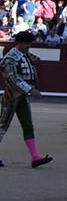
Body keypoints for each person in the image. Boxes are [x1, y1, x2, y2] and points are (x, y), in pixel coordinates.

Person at [0, 30, 51, 168]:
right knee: (2, 126)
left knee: (28, 125)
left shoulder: (25, 55)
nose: (29, 46)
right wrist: (30, 89)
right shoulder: (10, 57)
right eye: (28, 44)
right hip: (11, 96)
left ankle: (35, 157)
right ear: (21, 43)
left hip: (21, 96)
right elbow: (12, 77)